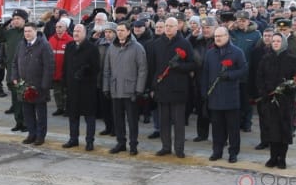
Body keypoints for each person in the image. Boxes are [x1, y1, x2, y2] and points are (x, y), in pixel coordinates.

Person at [150, 17, 196, 158]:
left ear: (177, 27)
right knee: (164, 121)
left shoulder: (184, 43)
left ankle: (179, 149)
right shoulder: (157, 44)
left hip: (178, 88)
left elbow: (193, 64)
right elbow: (153, 67)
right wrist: (152, 87)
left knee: (178, 121)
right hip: (162, 87)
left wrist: (180, 66)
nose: (168, 28)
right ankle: (165, 147)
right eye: (166, 26)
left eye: (171, 26)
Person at [256, 33, 296, 169]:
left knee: (284, 129)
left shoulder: (292, 59)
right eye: (274, 41)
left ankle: (282, 158)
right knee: (272, 129)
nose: (275, 43)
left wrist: (289, 88)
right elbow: (259, 77)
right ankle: (273, 157)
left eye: (278, 41)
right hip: (269, 100)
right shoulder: (266, 58)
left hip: (285, 100)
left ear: (283, 43)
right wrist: (265, 92)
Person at [202, 27, 247, 163]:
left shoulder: (236, 52)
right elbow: (205, 74)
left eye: (221, 36)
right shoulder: (210, 53)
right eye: (216, 36)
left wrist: (230, 75)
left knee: (233, 127)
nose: (218, 38)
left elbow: (244, 70)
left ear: (227, 36)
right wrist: (204, 92)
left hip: (230, 96)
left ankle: (233, 152)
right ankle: (217, 151)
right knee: (217, 127)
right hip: (215, 96)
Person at [103, 22, 148, 155]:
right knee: (118, 119)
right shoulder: (112, 47)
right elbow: (107, 69)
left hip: (131, 90)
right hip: (116, 89)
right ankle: (120, 143)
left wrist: (139, 89)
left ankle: (133, 144)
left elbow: (143, 69)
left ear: (129, 32)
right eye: (118, 30)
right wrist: (106, 87)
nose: (120, 33)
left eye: (122, 30)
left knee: (132, 120)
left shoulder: (137, 48)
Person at [11, 22, 54, 145]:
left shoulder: (44, 45)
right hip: (23, 85)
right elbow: (14, 63)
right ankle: (31, 134)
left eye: (29, 31)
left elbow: (49, 66)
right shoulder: (21, 45)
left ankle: (40, 136)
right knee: (27, 112)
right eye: (25, 31)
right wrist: (14, 77)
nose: (27, 34)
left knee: (40, 113)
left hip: (39, 85)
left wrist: (45, 85)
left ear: (35, 31)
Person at [62, 24, 100, 151]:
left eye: (78, 31)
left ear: (84, 33)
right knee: (73, 115)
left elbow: (96, 68)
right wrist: (65, 83)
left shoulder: (92, 48)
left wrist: (85, 71)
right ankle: (73, 139)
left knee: (89, 116)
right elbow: (65, 66)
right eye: (74, 31)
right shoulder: (69, 46)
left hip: (87, 88)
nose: (76, 33)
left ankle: (89, 141)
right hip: (72, 87)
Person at [0, 8, 29, 132]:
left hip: (24, 71)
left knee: (24, 98)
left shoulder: (28, 31)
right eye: (14, 19)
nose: (15, 21)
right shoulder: (11, 32)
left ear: (24, 20)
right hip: (12, 71)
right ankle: (18, 122)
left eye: (18, 19)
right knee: (15, 99)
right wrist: (4, 24)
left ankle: (26, 123)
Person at [48, 18, 73, 116]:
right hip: (54, 71)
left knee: (66, 92)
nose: (58, 29)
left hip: (65, 72)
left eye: (60, 27)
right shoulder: (51, 39)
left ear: (66, 28)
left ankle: (68, 109)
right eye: (56, 27)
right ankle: (60, 108)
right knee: (57, 92)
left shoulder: (70, 40)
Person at [96, 22, 117, 136]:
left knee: (114, 108)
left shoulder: (118, 44)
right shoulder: (100, 43)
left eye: (110, 32)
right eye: (106, 32)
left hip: (114, 80)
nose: (107, 34)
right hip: (101, 78)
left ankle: (115, 128)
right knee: (104, 107)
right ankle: (108, 127)